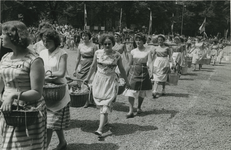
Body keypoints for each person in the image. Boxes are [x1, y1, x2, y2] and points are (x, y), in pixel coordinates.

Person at [0, 21, 47, 149]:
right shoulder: (5, 57)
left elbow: (37, 92)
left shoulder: (34, 60)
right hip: (8, 113)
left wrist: (13, 96)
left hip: (27, 113)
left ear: (14, 36)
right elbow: (2, 83)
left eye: (3, 34)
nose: (0, 37)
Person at [84, 34, 129, 136]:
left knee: (106, 103)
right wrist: (87, 78)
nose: (107, 45)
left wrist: (126, 81)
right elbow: (93, 66)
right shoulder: (97, 53)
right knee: (100, 102)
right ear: (102, 44)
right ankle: (105, 120)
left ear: (113, 44)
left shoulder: (117, 55)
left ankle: (100, 129)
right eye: (105, 44)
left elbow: (121, 69)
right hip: (99, 80)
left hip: (110, 81)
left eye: (109, 43)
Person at [39, 28, 70, 150]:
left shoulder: (62, 53)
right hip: (46, 90)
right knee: (52, 122)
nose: (46, 43)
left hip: (58, 91)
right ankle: (62, 142)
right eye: (44, 41)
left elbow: (61, 72)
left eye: (48, 41)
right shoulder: (42, 53)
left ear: (55, 41)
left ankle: (44, 148)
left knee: (49, 124)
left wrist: (46, 75)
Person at [123, 33, 153, 118]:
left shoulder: (148, 51)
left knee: (142, 91)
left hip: (144, 72)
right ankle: (131, 111)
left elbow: (150, 62)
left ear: (143, 41)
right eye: (136, 40)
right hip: (134, 72)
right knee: (131, 91)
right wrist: (125, 74)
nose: (138, 41)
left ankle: (139, 107)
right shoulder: (132, 51)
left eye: (140, 40)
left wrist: (151, 72)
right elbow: (129, 64)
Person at [73, 31, 98, 108]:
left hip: (91, 64)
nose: (84, 37)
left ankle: (93, 100)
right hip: (82, 64)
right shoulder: (80, 46)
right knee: (83, 83)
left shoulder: (94, 46)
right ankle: (86, 100)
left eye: (86, 36)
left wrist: (96, 68)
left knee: (91, 83)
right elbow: (78, 58)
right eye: (83, 36)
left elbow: (96, 58)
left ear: (89, 37)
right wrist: (75, 68)